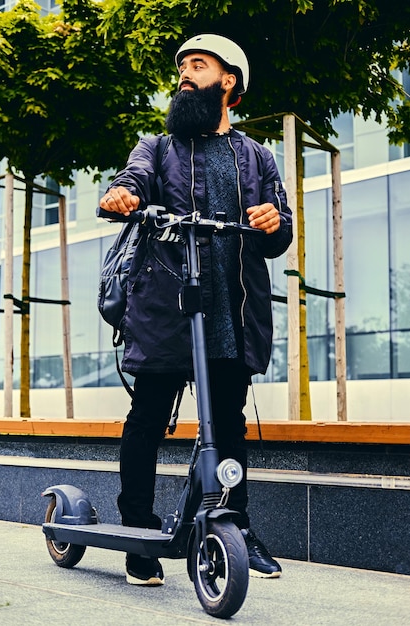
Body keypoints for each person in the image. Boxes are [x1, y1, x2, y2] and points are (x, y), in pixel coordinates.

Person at [99, 33, 293, 586]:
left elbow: (280, 229)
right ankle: (139, 534)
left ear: (227, 81)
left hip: (231, 312)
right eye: (182, 66)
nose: (185, 74)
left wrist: (274, 223)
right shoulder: (157, 147)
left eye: (198, 65)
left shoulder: (258, 156)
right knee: (148, 421)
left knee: (228, 427)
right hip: (167, 309)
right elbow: (132, 180)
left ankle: (233, 525)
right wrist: (122, 195)